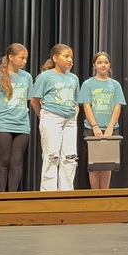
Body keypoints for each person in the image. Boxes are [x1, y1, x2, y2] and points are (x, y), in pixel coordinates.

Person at [29, 44, 80, 191]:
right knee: (52, 155)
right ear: (55, 58)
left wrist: (74, 113)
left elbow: (76, 100)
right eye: (66, 56)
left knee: (70, 156)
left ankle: (67, 191)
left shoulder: (73, 78)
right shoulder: (45, 76)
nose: (70, 59)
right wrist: (43, 115)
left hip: (69, 119)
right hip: (51, 116)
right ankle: (49, 193)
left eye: (71, 57)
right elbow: (35, 100)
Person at [0, 43, 33, 192]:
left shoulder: (27, 77)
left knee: (16, 161)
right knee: (4, 160)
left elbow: (29, 100)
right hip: (3, 124)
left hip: (22, 125)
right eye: (22, 58)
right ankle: (0, 195)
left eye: (26, 58)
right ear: (11, 57)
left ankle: (13, 195)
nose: (24, 61)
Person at [79, 52, 127, 189]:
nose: (103, 65)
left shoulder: (115, 85)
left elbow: (118, 106)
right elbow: (87, 106)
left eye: (105, 62)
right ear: (94, 65)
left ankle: (105, 194)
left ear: (109, 64)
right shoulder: (88, 84)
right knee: (94, 165)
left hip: (110, 128)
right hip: (92, 128)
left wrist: (110, 127)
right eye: (100, 62)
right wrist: (94, 126)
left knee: (107, 164)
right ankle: (95, 194)